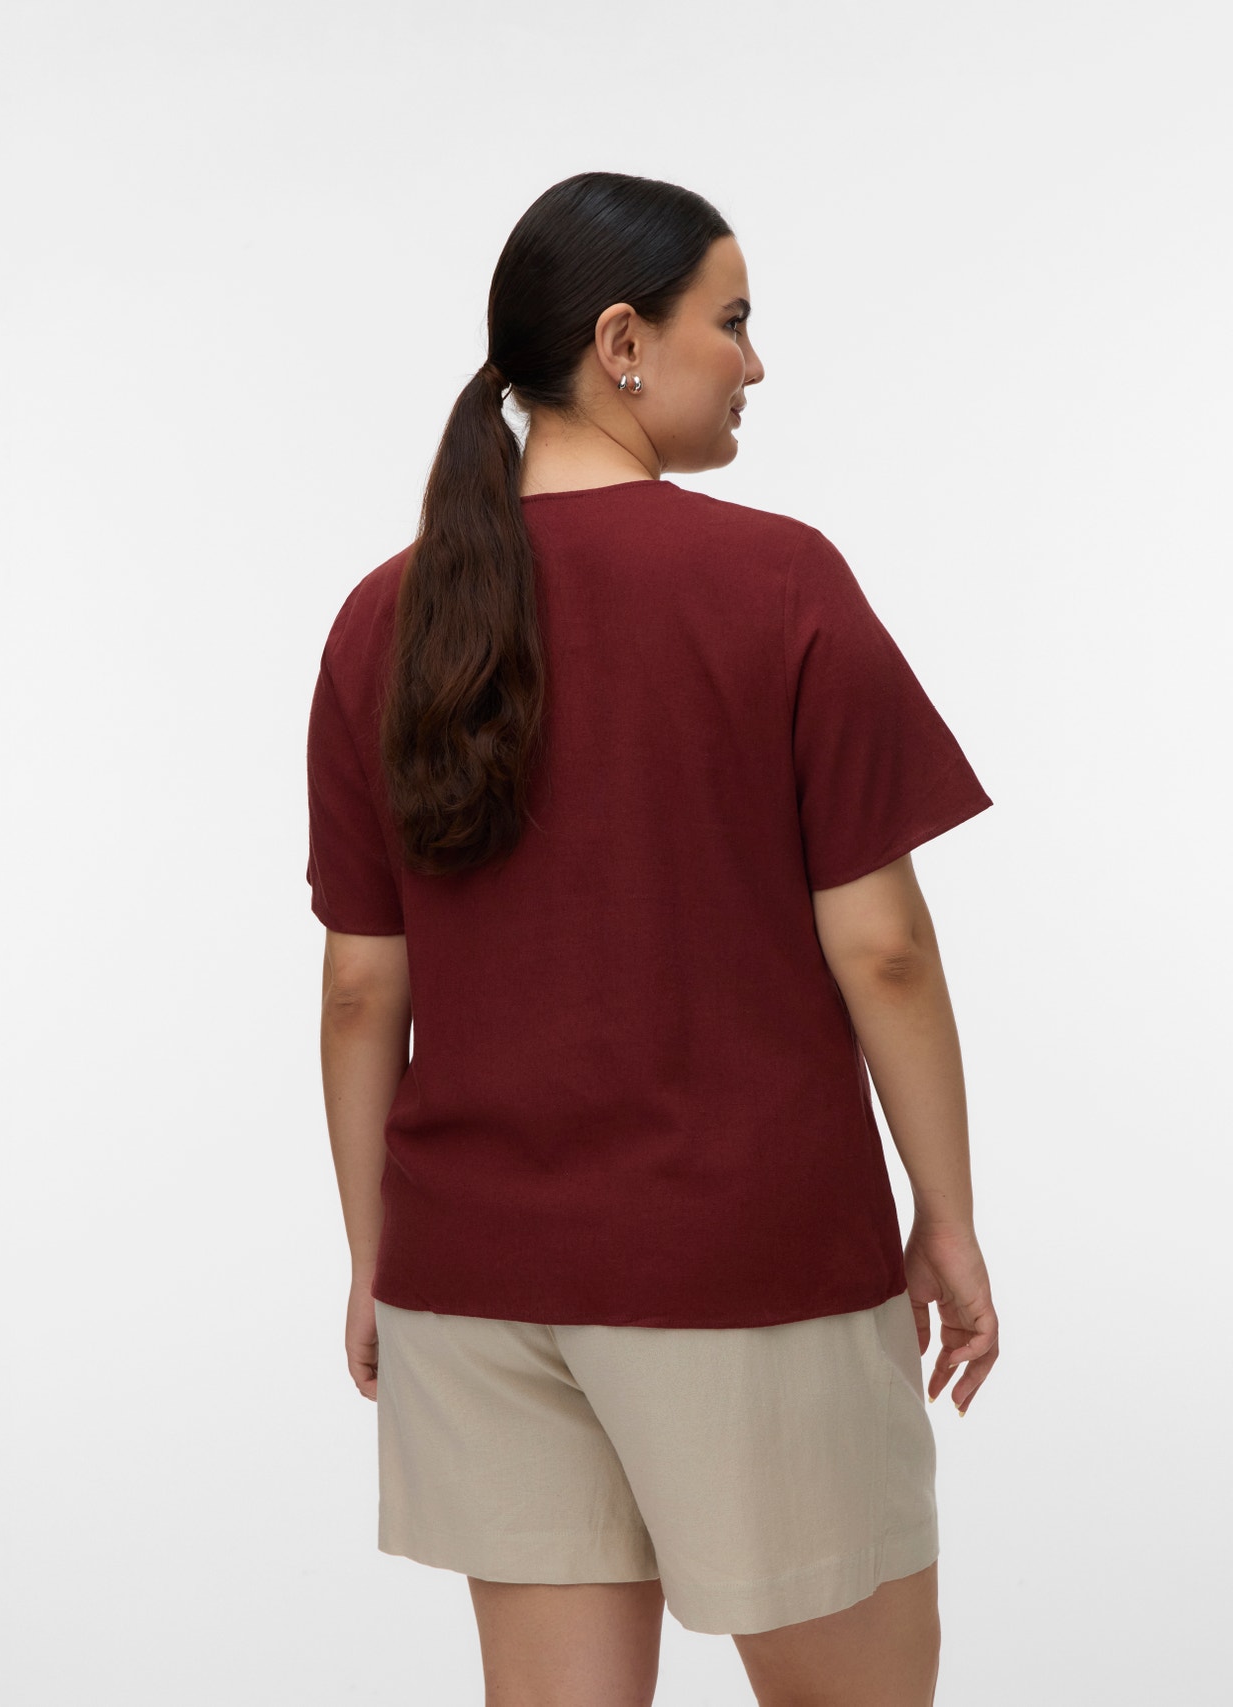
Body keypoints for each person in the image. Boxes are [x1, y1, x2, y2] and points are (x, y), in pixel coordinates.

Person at [305, 170, 999, 1707]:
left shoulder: (384, 619)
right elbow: (883, 950)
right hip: (746, 1264)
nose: (754, 361)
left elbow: (361, 987)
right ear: (622, 342)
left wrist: (375, 1257)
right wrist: (946, 1216)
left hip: (474, 1277)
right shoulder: (776, 582)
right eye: (731, 321)